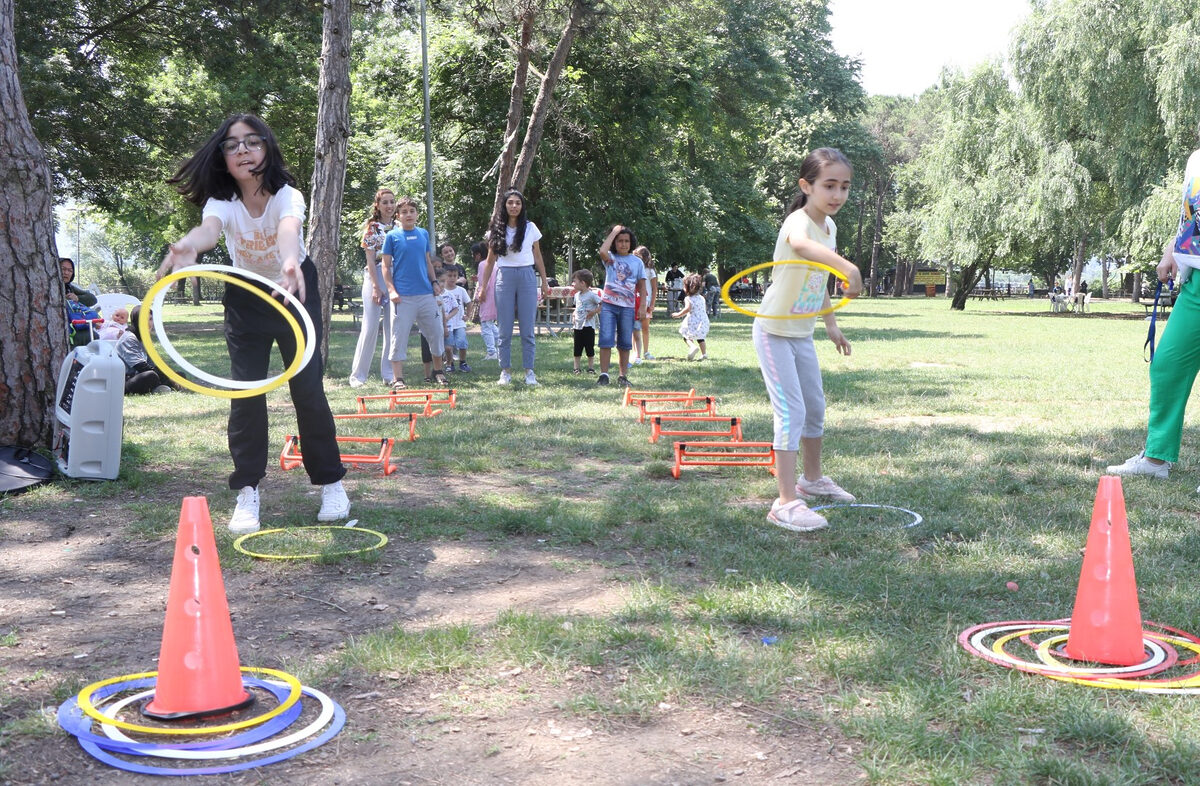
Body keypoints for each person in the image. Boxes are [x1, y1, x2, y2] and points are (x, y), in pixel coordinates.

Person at [158, 112, 349, 533]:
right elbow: (209, 230)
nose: (242, 150)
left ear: (267, 147)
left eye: (252, 141)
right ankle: (247, 491)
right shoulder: (222, 203)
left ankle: (331, 483)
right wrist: (189, 246)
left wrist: (287, 262)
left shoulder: (287, 194)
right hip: (246, 296)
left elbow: (288, 226)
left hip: (295, 287)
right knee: (244, 394)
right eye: (232, 145)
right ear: (223, 158)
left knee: (308, 389)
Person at [755, 147, 863, 532]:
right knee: (791, 412)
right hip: (773, 330)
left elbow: (817, 280)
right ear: (807, 185)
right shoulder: (796, 223)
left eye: (845, 187)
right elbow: (802, 248)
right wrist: (849, 267)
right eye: (829, 185)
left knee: (815, 407)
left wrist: (830, 323)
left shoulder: (830, 228)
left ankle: (812, 480)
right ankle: (784, 502)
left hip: (802, 333)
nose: (837, 195)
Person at [1108, 132, 1200, 486]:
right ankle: (1156, 458)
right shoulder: (1195, 160)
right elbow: (1188, 217)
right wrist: (1170, 254)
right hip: (1195, 285)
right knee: (1167, 365)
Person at [475, 189, 551, 386]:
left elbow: (538, 256)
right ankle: (505, 371)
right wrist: (482, 287)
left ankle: (529, 372)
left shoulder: (530, 227)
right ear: (505, 205)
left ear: (522, 206)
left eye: (518, 203)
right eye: (510, 203)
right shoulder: (496, 230)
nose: (514, 206)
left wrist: (544, 281)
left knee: (527, 328)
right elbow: (490, 262)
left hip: (526, 275)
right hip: (505, 276)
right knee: (504, 328)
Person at [382, 196, 448, 389]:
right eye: (404, 212)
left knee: (435, 333)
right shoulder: (392, 237)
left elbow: (428, 261)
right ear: (398, 216)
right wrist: (392, 290)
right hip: (403, 297)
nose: (408, 215)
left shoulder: (423, 234)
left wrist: (434, 282)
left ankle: (438, 372)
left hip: (426, 294)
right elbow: (386, 266)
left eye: (412, 211)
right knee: (399, 336)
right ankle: (398, 378)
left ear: (417, 214)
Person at [348, 188, 397, 388]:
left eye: (392, 202)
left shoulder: (400, 227)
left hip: (395, 279)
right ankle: (358, 376)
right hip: (375, 277)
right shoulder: (372, 228)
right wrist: (377, 287)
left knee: (392, 328)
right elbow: (370, 259)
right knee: (369, 329)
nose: (389, 206)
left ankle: (389, 375)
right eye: (385, 202)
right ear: (377, 205)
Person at [596, 224, 650, 388]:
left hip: (627, 307)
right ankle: (604, 374)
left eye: (626, 241)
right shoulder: (611, 258)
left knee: (625, 342)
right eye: (620, 241)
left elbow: (641, 286)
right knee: (606, 339)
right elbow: (602, 251)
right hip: (609, 306)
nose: (623, 244)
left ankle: (622, 375)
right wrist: (614, 232)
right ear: (615, 242)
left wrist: (642, 308)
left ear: (631, 243)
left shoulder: (637, 262)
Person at [115, 305, 174, 394]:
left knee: (178, 374)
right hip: (125, 381)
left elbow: (153, 364)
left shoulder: (144, 338)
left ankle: (158, 387)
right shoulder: (129, 338)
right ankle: (158, 387)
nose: (149, 323)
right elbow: (142, 367)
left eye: (150, 319)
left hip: (139, 375)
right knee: (150, 375)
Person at [472, 241, 500, 361]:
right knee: (490, 323)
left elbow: (485, 283)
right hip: (496, 296)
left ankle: (491, 351)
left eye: (474, 254)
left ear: (478, 254)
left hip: (487, 296)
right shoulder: (495, 263)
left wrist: (479, 295)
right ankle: (501, 347)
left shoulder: (483, 264)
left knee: (485, 325)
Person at [672, 273, 710, 360]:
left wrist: (678, 314)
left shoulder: (688, 298)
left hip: (693, 321)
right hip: (703, 321)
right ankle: (704, 354)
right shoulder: (701, 298)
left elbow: (687, 309)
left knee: (686, 336)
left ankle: (692, 347)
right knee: (701, 338)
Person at [440, 269, 471, 372]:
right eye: (450, 276)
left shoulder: (461, 290)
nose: (452, 278)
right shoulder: (442, 291)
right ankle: (450, 363)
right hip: (448, 324)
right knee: (449, 346)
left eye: (455, 275)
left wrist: (468, 315)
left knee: (462, 342)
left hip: (459, 322)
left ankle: (463, 362)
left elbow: (468, 302)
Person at [571, 269, 601, 374]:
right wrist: (574, 314)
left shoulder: (592, 295)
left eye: (575, 281)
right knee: (577, 348)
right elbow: (577, 307)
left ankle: (591, 368)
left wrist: (593, 312)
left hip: (588, 326)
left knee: (589, 348)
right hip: (578, 326)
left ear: (583, 283)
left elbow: (602, 304)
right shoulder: (576, 295)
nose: (572, 283)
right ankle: (576, 368)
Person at [633, 246, 658, 361]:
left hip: (646, 302)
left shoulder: (650, 271)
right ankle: (635, 352)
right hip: (635, 301)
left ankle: (646, 351)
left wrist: (652, 304)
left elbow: (654, 289)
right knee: (635, 328)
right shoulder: (634, 269)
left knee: (645, 328)